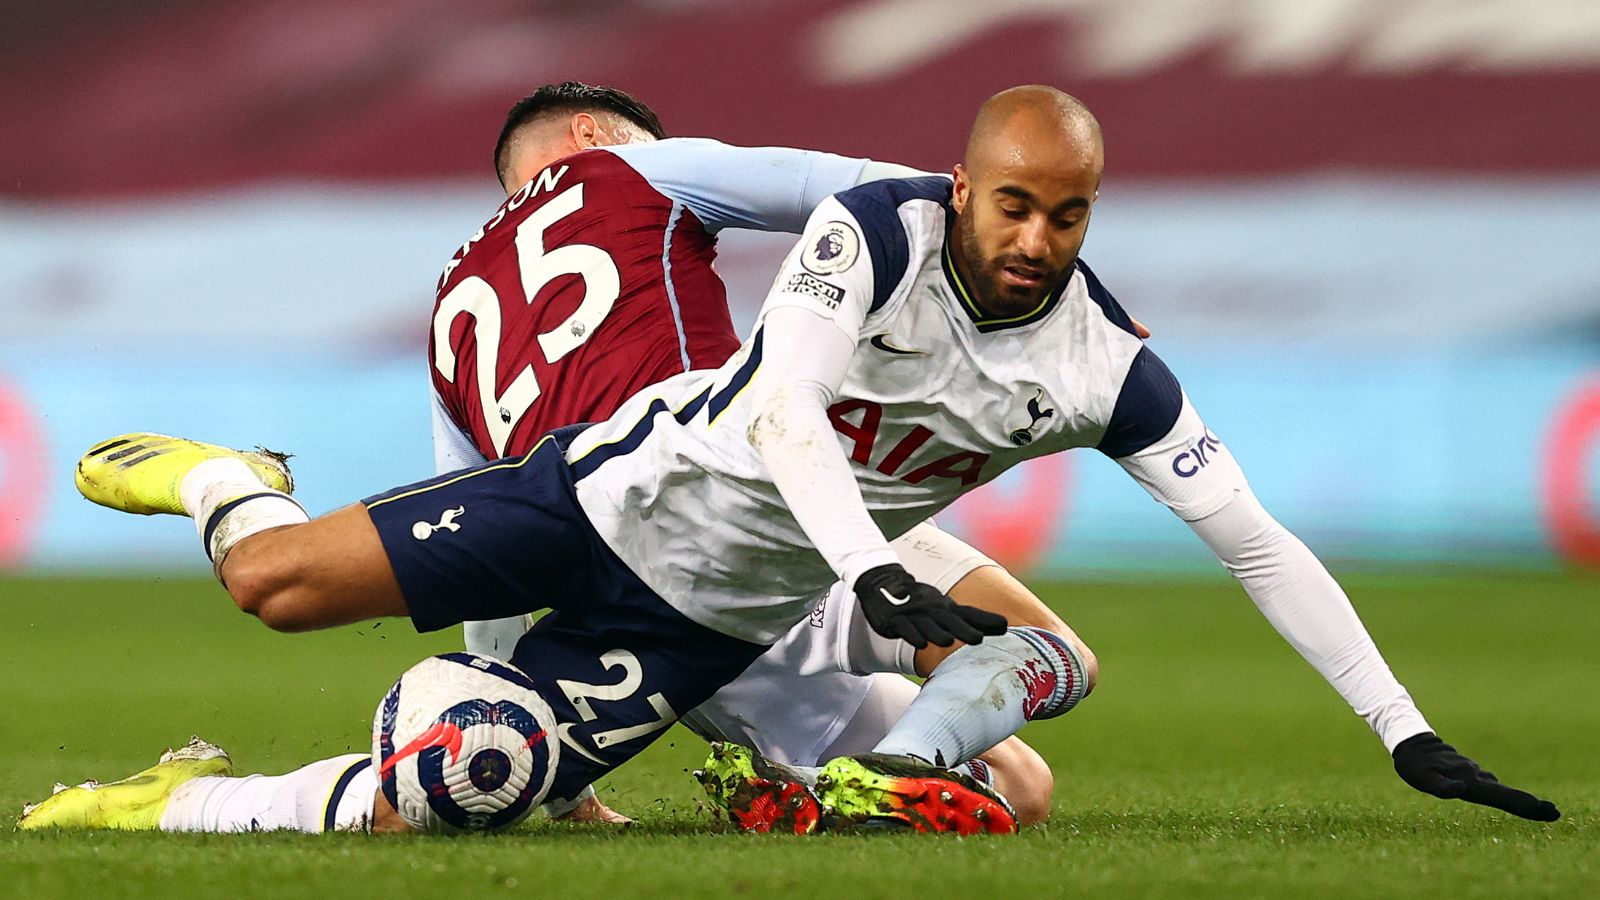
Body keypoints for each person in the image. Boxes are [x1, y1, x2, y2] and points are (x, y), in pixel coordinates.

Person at [39, 85, 1560, 835]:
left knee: (1018, 746)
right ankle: (232, 486)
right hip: (626, 491)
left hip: (738, 581)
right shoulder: (681, 176)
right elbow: (837, 228)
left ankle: (195, 785)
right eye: (1009, 208)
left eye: (1061, 217)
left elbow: (1259, 540)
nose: (1029, 240)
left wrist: (1401, 728)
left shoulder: (455, 299)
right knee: (346, 642)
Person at [23, 83, 1071, 836]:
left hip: (606, 549)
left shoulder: (449, 316)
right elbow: (859, 191)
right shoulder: (636, 166)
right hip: (747, 512)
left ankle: (203, 762)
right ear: (589, 135)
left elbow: (481, 546)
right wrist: (1017, 243)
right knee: (1016, 750)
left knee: (456, 779)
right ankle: (792, 786)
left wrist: (519, 713)